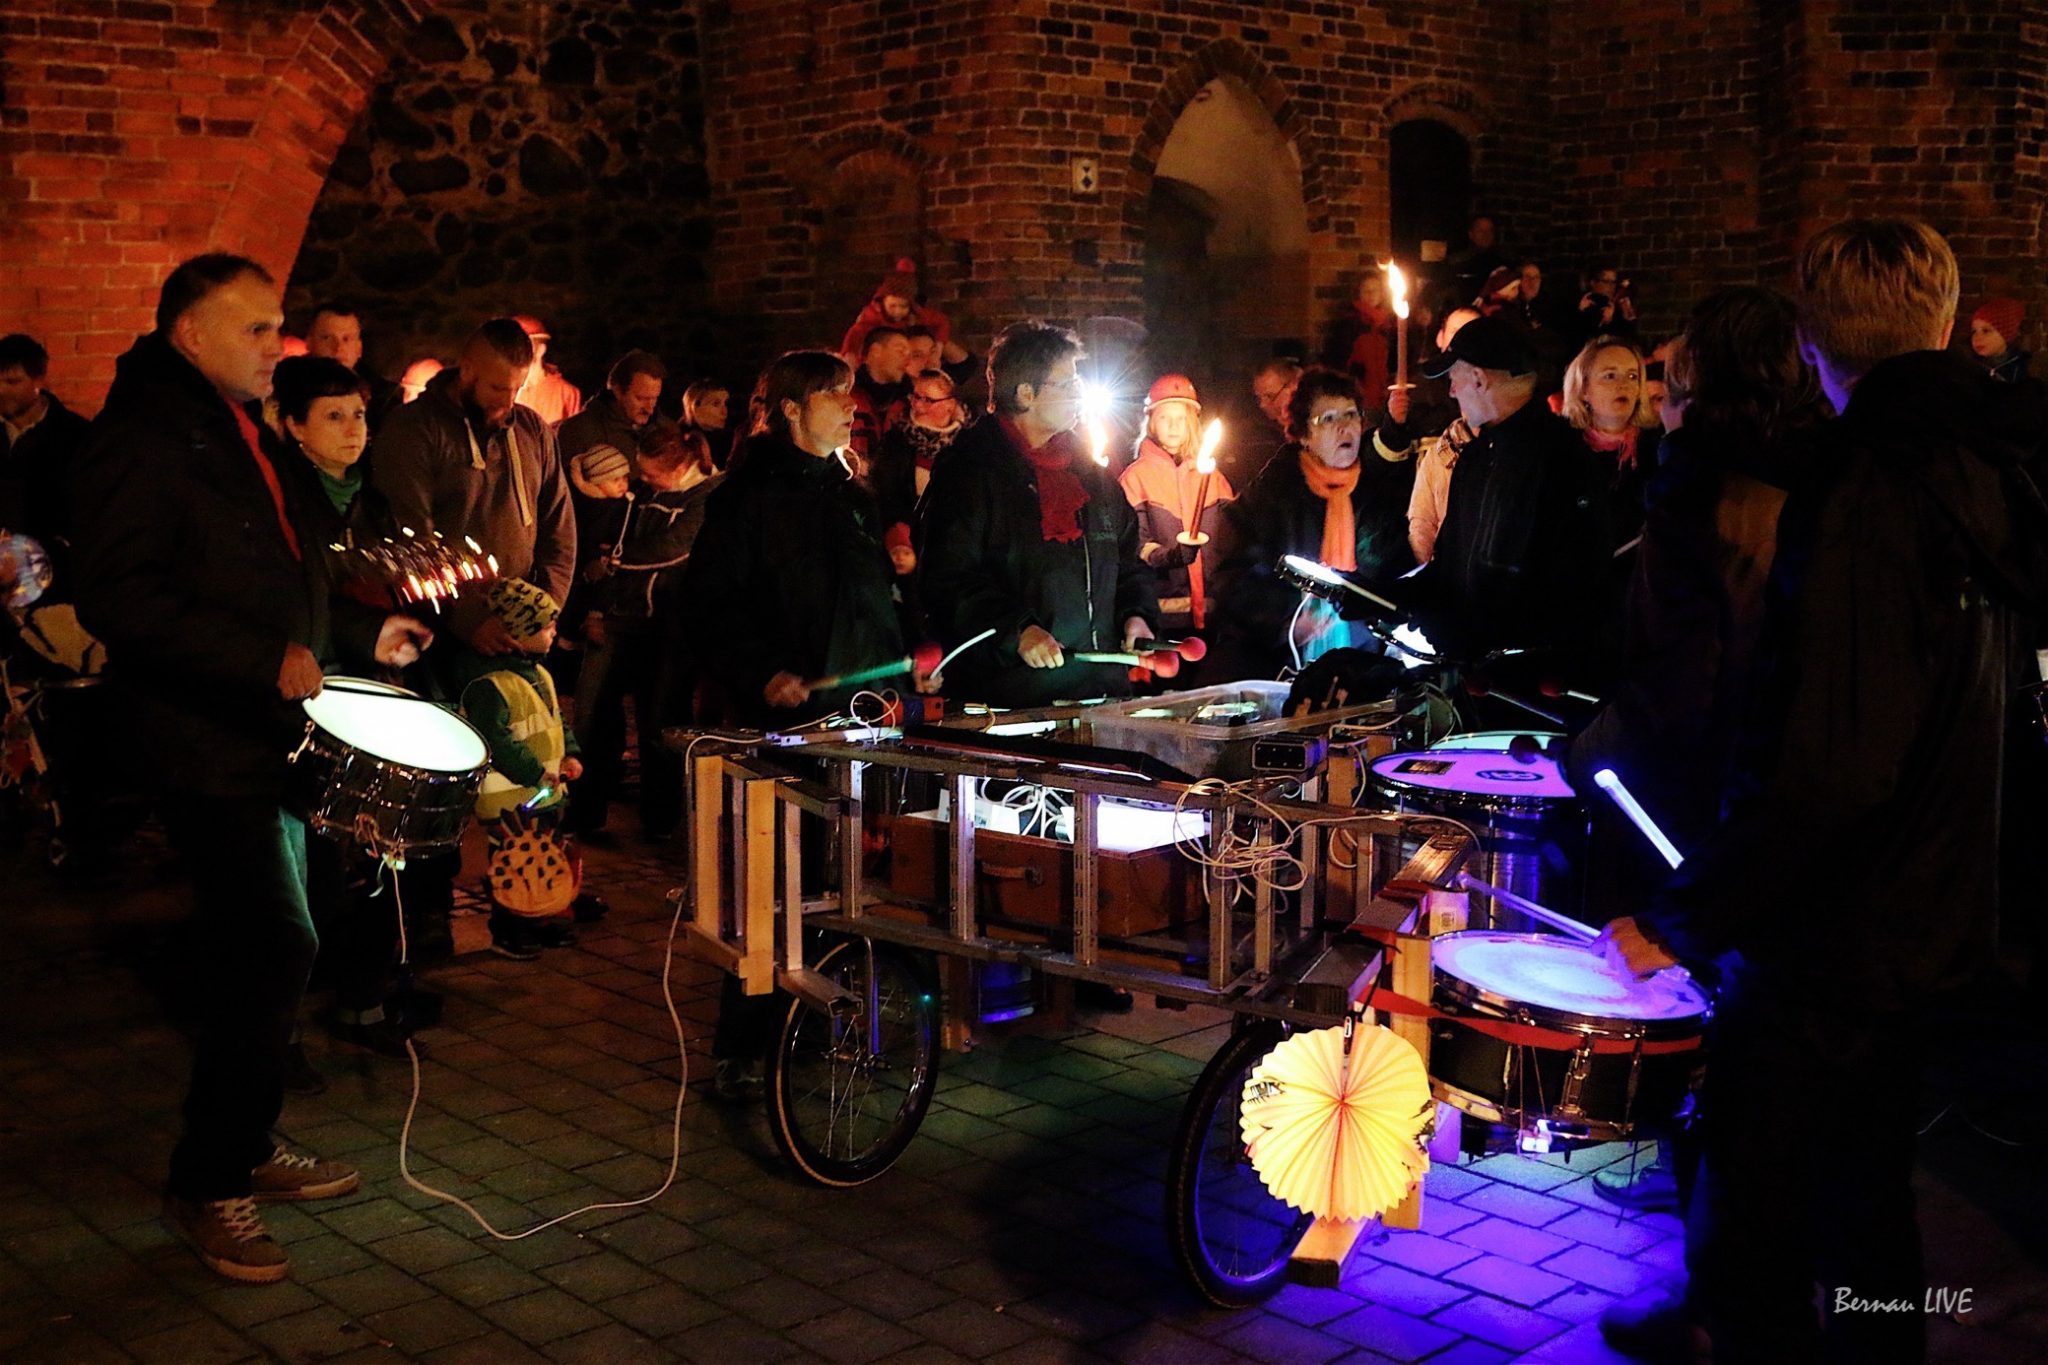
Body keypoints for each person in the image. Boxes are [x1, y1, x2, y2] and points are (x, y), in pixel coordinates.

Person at [1598, 218, 2048, 1365]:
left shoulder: (1868, 489)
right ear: (1945, 321)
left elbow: (1833, 762)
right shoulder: (1992, 460)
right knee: (1862, 1197)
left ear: (1812, 348)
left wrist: (1687, 915)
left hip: (1832, 931)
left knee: (1772, 1204)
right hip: (1932, 902)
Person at [69, 253, 430, 1283]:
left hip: (262, 731)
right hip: (203, 738)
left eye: (280, 327)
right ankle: (206, 1180)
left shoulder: (224, 422)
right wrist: (259, 660)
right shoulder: (144, 435)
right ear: (189, 332)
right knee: (273, 944)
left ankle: (245, 1138)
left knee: (265, 950)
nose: (281, 346)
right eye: (258, 329)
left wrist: (356, 646)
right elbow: (117, 595)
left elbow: (276, 568)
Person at [679, 351, 911, 1098]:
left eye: (850, 397)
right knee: (769, 889)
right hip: (780, 725)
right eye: (833, 397)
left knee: (838, 883)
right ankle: (744, 1045)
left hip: (853, 721)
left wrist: (899, 664)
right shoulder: (748, 493)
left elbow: (871, 600)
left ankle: (811, 1023)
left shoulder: (850, 490)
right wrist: (759, 673)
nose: (851, 409)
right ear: (788, 408)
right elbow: (713, 604)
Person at [919, 322, 1160, 708]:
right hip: (1007, 695)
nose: (1078, 394)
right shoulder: (971, 473)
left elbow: (1127, 561)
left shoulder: (1091, 477)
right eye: (1066, 384)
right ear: (1025, 393)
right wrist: (1018, 630)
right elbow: (948, 578)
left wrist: (1137, 615)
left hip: (1100, 690)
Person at [1400, 313, 1611, 666]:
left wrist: (1466, 631)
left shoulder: (1561, 462)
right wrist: (1385, 597)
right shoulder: (1477, 456)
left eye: (1455, 378)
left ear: (1480, 380)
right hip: (1473, 668)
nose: (1452, 391)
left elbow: (1568, 591)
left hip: (1525, 684)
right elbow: (1451, 566)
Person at [372, 317, 577, 671]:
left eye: (517, 389)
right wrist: (469, 621)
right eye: (498, 388)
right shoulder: (413, 430)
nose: (509, 402)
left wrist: (541, 612)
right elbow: (411, 536)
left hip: (521, 633)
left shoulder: (533, 431)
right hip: (443, 637)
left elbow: (558, 526)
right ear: (467, 371)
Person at [1208, 367, 1416, 681]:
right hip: (1284, 661)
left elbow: (1398, 568)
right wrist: (1288, 619)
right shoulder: (1272, 494)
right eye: (1328, 419)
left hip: (1366, 660)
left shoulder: (1377, 492)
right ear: (1304, 434)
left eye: (1350, 415)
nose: (1344, 427)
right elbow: (1234, 576)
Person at [572, 428, 722, 841]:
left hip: (670, 626)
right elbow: (614, 529)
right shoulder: (643, 491)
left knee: (660, 721)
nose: (644, 480)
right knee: (591, 715)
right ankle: (586, 811)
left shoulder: (708, 495)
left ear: (679, 467)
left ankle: (660, 819)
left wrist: (613, 561)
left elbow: (672, 548)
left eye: (652, 474)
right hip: (621, 615)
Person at [452, 578, 589, 959]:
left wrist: (570, 755)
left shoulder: (540, 674)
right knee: (512, 863)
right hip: (510, 800)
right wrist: (532, 771)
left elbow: (556, 723)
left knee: (544, 854)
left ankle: (542, 914)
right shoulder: (488, 685)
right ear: (517, 632)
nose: (554, 633)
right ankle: (510, 928)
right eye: (546, 626)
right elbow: (493, 741)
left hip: (543, 791)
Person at [1118, 374, 1232, 638]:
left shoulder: (1213, 478)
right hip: (1161, 618)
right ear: (1151, 423)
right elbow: (1134, 546)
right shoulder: (1135, 478)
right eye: (1164, 418)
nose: (1173, 426)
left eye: (1181, 418)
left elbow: (1231, 543)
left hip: (1216, 616)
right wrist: (1171, 557)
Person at [1559, 335, 1661, 552]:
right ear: (1584, 389)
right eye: (1610, 376)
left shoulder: (1656, 447)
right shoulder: (1561, 446)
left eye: (1632, 376)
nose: (1623, 385)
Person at [0, 333, 91, 565]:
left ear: (38, 380)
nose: (1, 390)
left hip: (55, 575)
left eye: (12, 382)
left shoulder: (76, 436)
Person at [1405, 306, 1481, 564]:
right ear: (1440, 337)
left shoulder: (1512, 453)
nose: (1451, 390)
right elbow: (1422, 524)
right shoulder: (1442, 453)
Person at [558, 349, 675, 465]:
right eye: (641, 398)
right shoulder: (578, 433)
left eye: (654, 399)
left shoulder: (666, 431)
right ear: (618, 391)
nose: (649, 409)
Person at [302, 303, 402, 431]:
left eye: (346, 339)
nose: (338, 348)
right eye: (327, 338)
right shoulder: (288, 386)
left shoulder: (384, 398)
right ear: (309, 343)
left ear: (359, 348)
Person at [511, 314, 583, 426]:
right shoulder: (504, 390)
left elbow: (575, 437)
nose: (514, 350)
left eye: (522, 344)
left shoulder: (566, 394)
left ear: (540, 350)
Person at [1969, 297, 2034, 386]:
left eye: (1986, 331)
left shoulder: (2021, 369)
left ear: (2005, 334)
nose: (1977, 337)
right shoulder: (1968, 366)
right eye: (1974, 331)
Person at [681, 377, 734, 468]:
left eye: (725, 403)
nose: (724, 411)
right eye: (716, 404)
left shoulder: (727, 440)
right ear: (695, 407)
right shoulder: (680, 444)